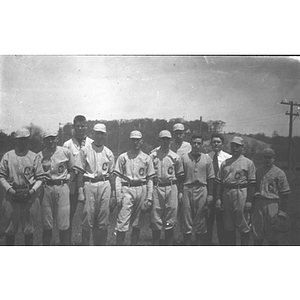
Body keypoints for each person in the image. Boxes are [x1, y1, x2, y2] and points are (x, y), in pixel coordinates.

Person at [0, 128, 44, 246]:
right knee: (10, 230)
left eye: (25, 139)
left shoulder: (34, 156)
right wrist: (11, 190)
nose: (22, 142)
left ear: (28, 140)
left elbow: (40, 178)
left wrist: (31, 191)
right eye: (20, 140)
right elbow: (1, 176)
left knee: (28, 230)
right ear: (16, 140)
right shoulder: (8, 156)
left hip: (29, 194)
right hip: (12, 194)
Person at [73, 124, 115, 246]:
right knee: (87, 218)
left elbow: (111, 175)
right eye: (97, 133)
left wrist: (113, 195)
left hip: (104, 183)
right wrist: (80, 191)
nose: (99, 136)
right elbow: (80, 172)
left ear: (105, 135)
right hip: (89, 184)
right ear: (93, 134)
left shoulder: (108, 152)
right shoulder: (85, 150)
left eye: (102, 134)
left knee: (103, 219)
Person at [113, 130, 155, 245]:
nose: (135, 142)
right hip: (127, 189)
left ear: (141, 141)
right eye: (133, 140)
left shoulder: (146, 158)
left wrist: (149, 198)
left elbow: (150, 179)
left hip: (141, 189)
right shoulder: (123, 157)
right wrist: (118, 195)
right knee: (122, 223)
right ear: (130, 141)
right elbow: (117, 177)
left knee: (137, 223)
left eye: (138, 140)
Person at [215, 136, 256, 246]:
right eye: (233, 146)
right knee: (229, 225)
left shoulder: (248, 162)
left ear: (242, 147)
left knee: (243, 224)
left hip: (241, 191)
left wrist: (249, 201)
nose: (235, 148)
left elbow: (252, 183)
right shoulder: (226, 162)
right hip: (227, 192)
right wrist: (218, 198)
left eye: (237, 146)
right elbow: (219, 182)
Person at [38, 130, 75, 246]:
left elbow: (73, 170)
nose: (50, 141)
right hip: (46, 187)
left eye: (53, 138)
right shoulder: (40, 155)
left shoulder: (65, 152)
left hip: (62, 186)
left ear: (57, 139)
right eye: (48, 138)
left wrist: (66, 184)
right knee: (47, 223)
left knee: (63, 224)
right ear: (44, 140)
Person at [178, 134, 215, 245]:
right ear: (191, 144)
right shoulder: (184, 157)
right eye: (194, 143)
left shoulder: (207, 158)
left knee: (201, 219)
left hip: (202, 189)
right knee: (186, 218)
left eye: (199, 143)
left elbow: (211, 177)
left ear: (202, 144)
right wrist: (180, 191)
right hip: (187, 188)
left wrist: (210, 194)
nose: (196, 145)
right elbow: (180, 177)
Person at [63, 115, 93, 244]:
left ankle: (85, 244)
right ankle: (67, 243)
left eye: (82, 126)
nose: (80, 128)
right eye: (77, 126)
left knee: (88, 214)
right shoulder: (67, 144)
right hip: (72, 183)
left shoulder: (91, 143)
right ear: (73, 127)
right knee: (68, 214)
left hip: (87, 182)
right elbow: (63, 165)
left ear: (86, 126)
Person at [251, 148, 290, 246]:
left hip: (272, 203)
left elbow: (285, 193)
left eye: (269, 157)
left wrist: (282, 211)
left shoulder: (279, 173)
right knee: (257, 231)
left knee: (272, 232)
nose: (267, 159)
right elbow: (253, 189)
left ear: (274, 158)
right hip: (259, 202)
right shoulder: (258, 171)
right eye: (265, 157)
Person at [149, 130, 181, 245]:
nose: (165, 141)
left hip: (171, 187)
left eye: (167, 139)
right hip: (157, 187)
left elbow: (179, 175)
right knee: (156, 216)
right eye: (163, 139)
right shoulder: (152, 155)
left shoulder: (175, 157)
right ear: (159, 140)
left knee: (170, 216)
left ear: (170, 141)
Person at [205, 133, 231, 245]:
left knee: (221, 221)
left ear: (222, 144)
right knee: (207, 219)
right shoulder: (206, 157)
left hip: (222, 191)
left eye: (218, 142)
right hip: (209, 190)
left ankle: (223, 244)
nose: (216, 144)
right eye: (214, 142)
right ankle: (206, 243)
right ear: (211, 143)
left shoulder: (228, 158)